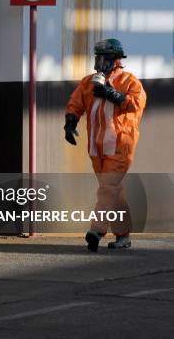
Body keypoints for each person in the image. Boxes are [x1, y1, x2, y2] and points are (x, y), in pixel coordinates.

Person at [64, 39, 146, 252]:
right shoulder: (88, 82)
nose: (100, 63)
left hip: (120, 145)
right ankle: (123, 236)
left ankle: (96, 230)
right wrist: (70, 123)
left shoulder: (129, 81)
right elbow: (76, 103)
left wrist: (111, 93)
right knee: (113, 191)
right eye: (97, 58)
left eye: (104, 59)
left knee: (107, 188)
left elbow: (137, 104)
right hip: (96, 148)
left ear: (116, 61)